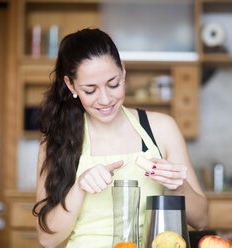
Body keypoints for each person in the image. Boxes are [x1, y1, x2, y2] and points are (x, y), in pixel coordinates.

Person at [33, 28, 208, 248]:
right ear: (71, 85)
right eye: (90, 90)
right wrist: (79, 188)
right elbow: (47, 239)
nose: (105, 99)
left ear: (123, 71)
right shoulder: (55, 141)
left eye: (113, 84)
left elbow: (201, 220)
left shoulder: (162, 129)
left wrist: (178, 187)